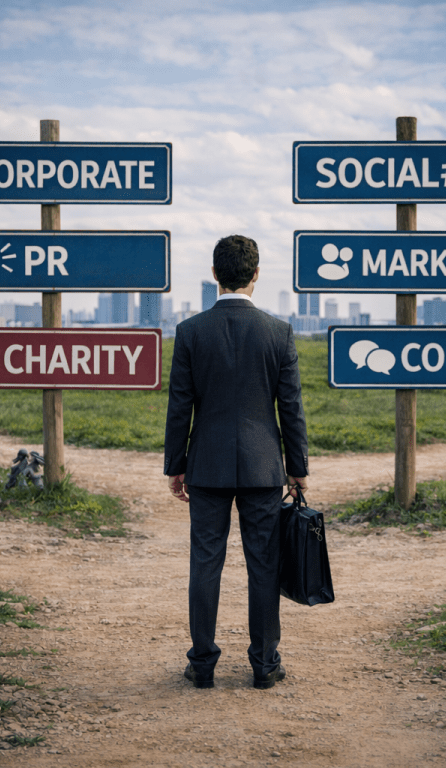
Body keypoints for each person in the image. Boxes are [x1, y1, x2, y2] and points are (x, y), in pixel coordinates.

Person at [164, 234, 309, 690]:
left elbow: (179, 406)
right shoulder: (278, 332)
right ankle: (265, 665)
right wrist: (297, 467)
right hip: (264, 467)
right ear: (256, 274)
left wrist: (176, 464)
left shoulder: (190, 332)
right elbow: (292, 409)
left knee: (205, 563)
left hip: (206, 465)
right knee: (263, 564)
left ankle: (202, 664)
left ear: (214, 275)